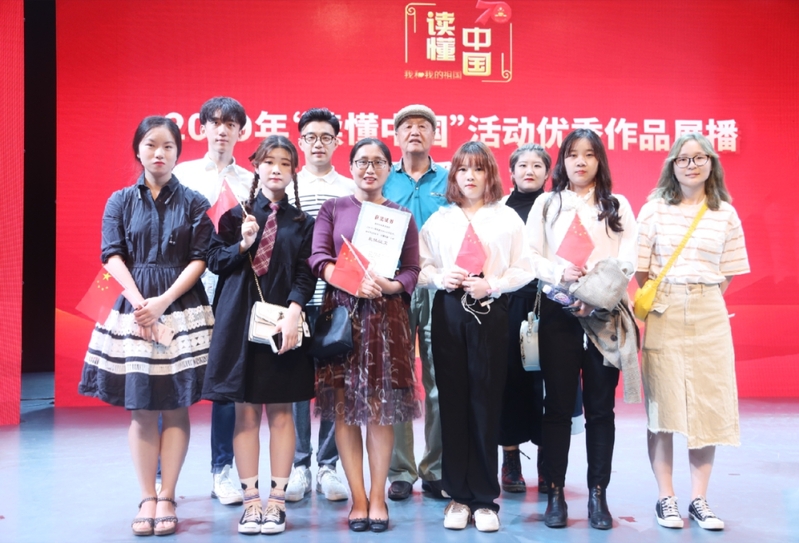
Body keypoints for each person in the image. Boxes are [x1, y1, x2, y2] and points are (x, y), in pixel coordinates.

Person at [79, 116, 214, 536]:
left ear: (178, 152)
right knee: (141, 409)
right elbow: (111, 254)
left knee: (175, 405)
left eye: (168, 146)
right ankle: (147, 497)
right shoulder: (120, 201)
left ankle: (168, 494)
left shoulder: (194, 201)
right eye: (151, 145)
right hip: (131, 308)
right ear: (138, 150)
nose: (159, 153)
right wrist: (141, 303)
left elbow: (200, 258)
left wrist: (163, 301)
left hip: (179, 305)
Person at [418, 141, 534, 532]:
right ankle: (457, 496)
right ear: (453, 176)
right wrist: (440, 277)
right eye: (463, 169)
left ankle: (484, 498)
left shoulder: (507, 219)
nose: (470, 176)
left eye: (478, 169)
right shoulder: (440, 220)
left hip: (491, 310)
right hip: (449, 311)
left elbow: (526, 267)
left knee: (485, 401)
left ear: (490, 175)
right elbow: (420, 268)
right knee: (451, 402)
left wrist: (494, 285)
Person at [202, 136, 316, 535]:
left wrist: (294, 314)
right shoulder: (235, 215)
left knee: (282, 412)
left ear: (293, 171)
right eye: (269, 162)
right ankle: (251, 503)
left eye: (285, 163)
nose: (277, 169)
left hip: (282, 323)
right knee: (246, 412)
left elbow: (306, 274)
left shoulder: (303, 223)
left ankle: (277, 502)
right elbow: (214, 261)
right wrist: (243, 244)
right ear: (256, 166)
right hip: (238, 321)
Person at [636, 133, 749, 531]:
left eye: (700, 158)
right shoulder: (653, 209)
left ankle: (699, 500)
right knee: (663, 409)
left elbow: (729, 270)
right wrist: (672, 295)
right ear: (672, 165)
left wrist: (701, 295)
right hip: (665, 309)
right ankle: (665, 497)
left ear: (711, 163)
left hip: (709, 311)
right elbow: (641, 268)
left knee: (708, 406)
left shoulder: (725, 213)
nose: (691, 165)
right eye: (683, 159)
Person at [526, 128, 637, 530]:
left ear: (599, 161)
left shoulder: (617, 205)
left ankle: (597, 495)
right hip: (559, 314)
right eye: (573, 154)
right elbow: (529, 255)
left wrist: (597, 294)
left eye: (589, 154)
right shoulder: (547, 203)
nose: (581, 161)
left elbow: (628, 259)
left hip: (604, 317)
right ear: (563, 161)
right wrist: (559, 272)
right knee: (557, 407)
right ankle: (555, 494)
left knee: (601, 410)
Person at [309, 138, 420, 533]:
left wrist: (390, 286)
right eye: (361, 161)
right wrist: (350, 280)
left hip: (385, 319)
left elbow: (412, 270)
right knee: (344, 409)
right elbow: (318, 258)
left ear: (389, 169)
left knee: (379, 410)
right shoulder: (333, 208)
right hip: (343, 314)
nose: (369, 169)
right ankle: (357, 498)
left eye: (377, 162)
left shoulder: (401, 215)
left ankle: (376, 497)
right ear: (351, 166)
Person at [172, 96, 252, 506]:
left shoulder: (250, 181)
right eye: (215, 122)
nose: (222, 129)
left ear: (241, 131)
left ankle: (222, 471)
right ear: (201, 127)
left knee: (225, 386)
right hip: (182, 291)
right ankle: (162, 479)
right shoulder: (181, 174)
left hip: (229, 293)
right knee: (171, 383)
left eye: (230, 123)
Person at [285, 108, 354, 503]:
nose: (318, 144)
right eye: (310, 137)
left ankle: (328, 465)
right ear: (300, 142)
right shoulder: (286, 185)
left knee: (332, 386)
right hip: (294, 303)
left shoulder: (348, 189)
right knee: (296, 385)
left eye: (326, 137)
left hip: (334, 302)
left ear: (336, 142)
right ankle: (299, 465)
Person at [382, 104, 449, 501]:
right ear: (396, 135)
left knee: (440, 380)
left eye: (424, 126)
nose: (415, 132)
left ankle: (436, 468)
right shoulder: (383, 176)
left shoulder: (450, 178)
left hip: (440, 288)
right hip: (397, 288)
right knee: (398, 380)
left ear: (434, 135)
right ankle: (401, 470)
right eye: (407, 126)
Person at [498, 144, 550, 494]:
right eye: (522, 165)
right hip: (510, 303)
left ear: (547, 173)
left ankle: (548, 462)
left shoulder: (557, 207)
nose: (529, 171)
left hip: (551, 303)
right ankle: (511, 460)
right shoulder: (500, 210)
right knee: (509, 382)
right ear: (512, 172)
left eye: (537, 166)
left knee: (549, 385)